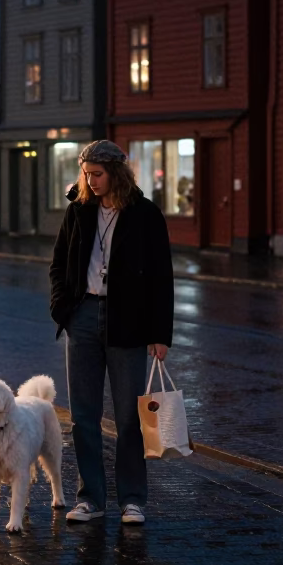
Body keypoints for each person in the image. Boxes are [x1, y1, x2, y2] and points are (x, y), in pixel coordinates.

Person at [49, 140, 174, 526]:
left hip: (128, 322)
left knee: (129, 418)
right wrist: (63, 308)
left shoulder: (145, 215)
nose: (91, 180)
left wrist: (160, 334)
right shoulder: (79, 210)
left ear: (116, 174)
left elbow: (160, 278)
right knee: (83, 416)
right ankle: (90, 498)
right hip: (83, 316)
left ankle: (132, 500)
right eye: (86, 174)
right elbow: (58, 264)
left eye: (98, 174)